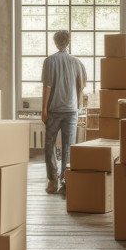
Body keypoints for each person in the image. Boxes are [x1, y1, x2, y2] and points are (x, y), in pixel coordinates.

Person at [41, 29, 87, 194]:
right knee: (69, 146)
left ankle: (52, 181)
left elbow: (47, 86)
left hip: (54, 110)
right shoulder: (76, 62)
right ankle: (66, 180)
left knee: (49, 145)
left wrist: (43, 109)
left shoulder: (49, 61)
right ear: (68, 42)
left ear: (55, 42)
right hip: (72, 110)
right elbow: (81, 85)